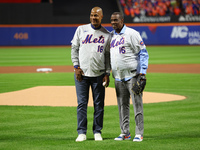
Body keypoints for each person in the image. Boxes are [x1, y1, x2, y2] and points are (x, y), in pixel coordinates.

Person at [71, 7, 111, 142]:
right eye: (92, 15)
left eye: (96, 15)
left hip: (99, 74)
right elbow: (74, 48)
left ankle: (97, 131)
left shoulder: (107, 34)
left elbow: (107, 56)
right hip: (82, 74)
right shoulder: (81, 29)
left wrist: (107, 73)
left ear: (101, 17)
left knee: (99, 104)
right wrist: (76, 67)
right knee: (82, 103)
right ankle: (81, 132)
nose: (94, 17)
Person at [110, 12, 149, 142]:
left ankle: (139, 133)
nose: (113, 22)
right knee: (122, 106)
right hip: (118, 77)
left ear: (122, 20)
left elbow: (143, 53)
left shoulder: (132, 34)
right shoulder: (111, 36)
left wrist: (142, 74)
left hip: (133, 75)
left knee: (137, 105)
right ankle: (125, 132)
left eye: (116, 20)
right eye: (111, 20)